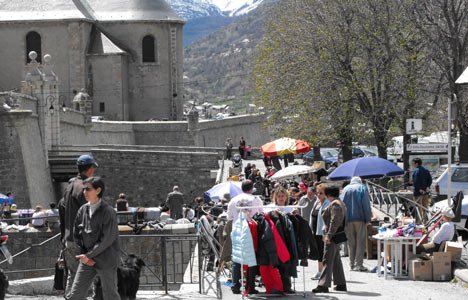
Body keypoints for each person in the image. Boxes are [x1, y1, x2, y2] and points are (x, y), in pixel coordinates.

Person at [68, 177, 121, 300]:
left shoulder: (108, 212)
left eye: (88, 189)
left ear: (98, 190)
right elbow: (77, 235)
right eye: (83, 189)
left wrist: (89, 256)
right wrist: (85, 256)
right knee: (75, 295)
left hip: (106, 259)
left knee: (110, 295)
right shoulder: (82, 210)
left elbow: (107, 239)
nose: (84, 192)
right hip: (87, 259)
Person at [61, 154, 98, 299]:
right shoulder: (85, 187)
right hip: (82, 240)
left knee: (73, 276)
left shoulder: (69, 186)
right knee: (86, 279)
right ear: (89, 169)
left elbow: (62, 210)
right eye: (93, 168)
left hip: (69, 239)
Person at [227, 180, 263, 294]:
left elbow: (229, 217)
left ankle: (235, 285)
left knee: (236, 259)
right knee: (251, 258)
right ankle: (250, 286)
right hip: (251, 230)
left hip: (237, 230)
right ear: (252, 188)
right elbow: (260, 214)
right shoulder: (256, 200)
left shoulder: (233, 200)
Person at [312, 186, 347, 293]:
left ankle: (323, 285)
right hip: (336, 236)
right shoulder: (340, 203)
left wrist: (329, 235)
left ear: (328, 195)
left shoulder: (335, 204)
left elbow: (334, 221)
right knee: (336, 260)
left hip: (333, 236)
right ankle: (340, 284)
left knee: (327, 259)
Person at [340, 176, 372, 272]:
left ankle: (351, 264)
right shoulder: (362, 188)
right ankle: (359, 264)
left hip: (348, 219)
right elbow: (366, 205)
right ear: (360, 181)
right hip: (359, 218)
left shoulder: (345, 189)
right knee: (360, 242)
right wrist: (368, 219)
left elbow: (342, 204)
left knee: (351, 242)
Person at [309, 183, 330, 279]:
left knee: (323, 253)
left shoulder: (327, 204)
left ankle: (325, 272)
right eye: (317, 193)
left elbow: (327, 219)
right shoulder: (317, 202)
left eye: (321, 193)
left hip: (322, 232)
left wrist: (325, 234)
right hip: (315, 231)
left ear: (326, 194)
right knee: (319, 252)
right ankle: (320, 271)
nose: (318, 195)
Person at [412, 158, 432, 223]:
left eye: (413, 163)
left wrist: (419, 189)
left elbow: (415, 181)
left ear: (416, 163)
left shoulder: (416, 171)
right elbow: (430, 179)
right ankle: (425, 221)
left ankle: (419, 222)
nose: (412, 164)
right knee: (425, 207)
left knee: (418, 208)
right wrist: (427, 187)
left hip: (418, 192)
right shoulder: (426, 170)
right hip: (426, 192)